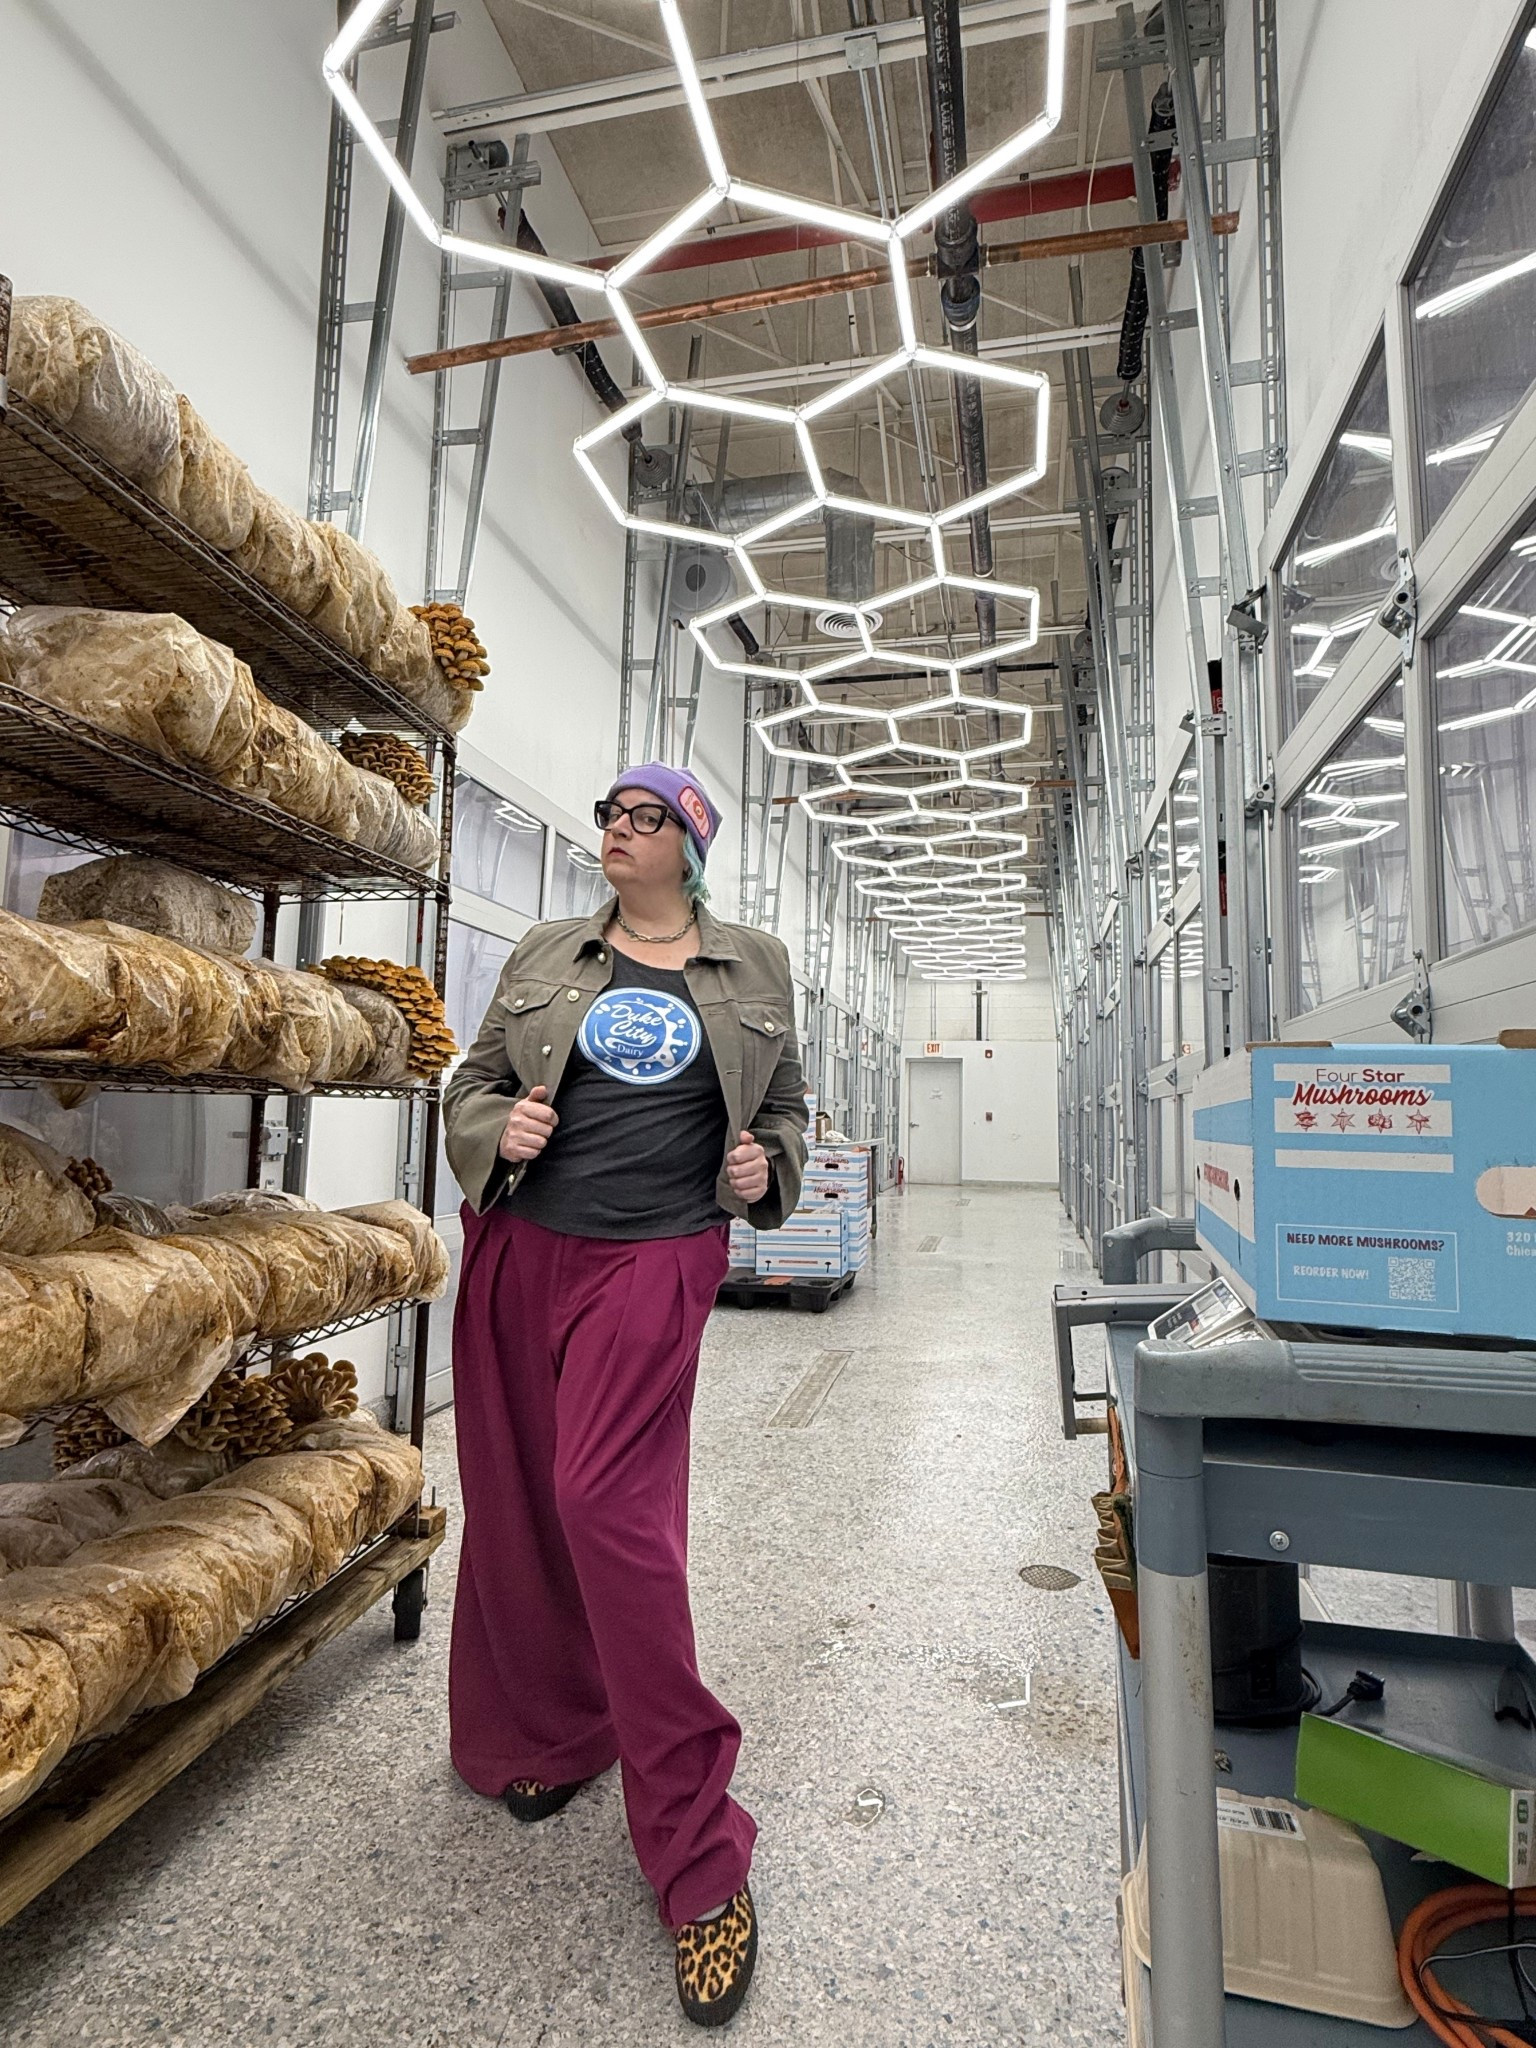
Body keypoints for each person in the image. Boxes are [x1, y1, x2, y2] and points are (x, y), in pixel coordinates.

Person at [442, 762, 808, 2027]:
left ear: (690, 842)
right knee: (518, 1498)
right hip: (524, 1245)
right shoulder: (552, 948)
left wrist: (770, 1168)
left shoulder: (752, 966)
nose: (616, 832)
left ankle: (700, 1849)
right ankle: (547, 1732)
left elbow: (793, 1113)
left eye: (643, 817)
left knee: (607, 1505)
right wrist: (497, 1133)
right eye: (609, 815)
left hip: (654, 1257)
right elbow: (471, 1080)